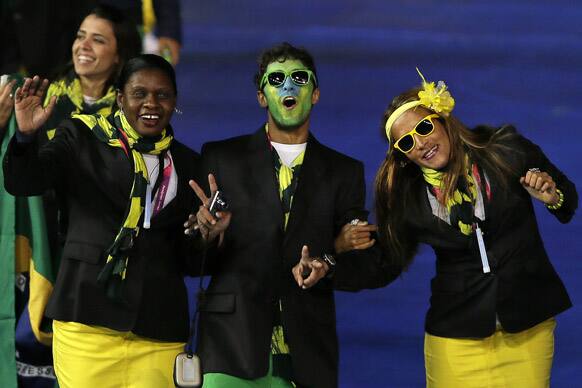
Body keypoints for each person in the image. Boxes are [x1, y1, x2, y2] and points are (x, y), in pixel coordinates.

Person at [185, 42, 399, 388]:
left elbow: (363, 266)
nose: (288, 86)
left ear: (314, 94)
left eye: (299, 78)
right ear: (261, 96)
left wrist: (329, 258)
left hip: (306, 351)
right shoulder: (222, 157)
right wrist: (206, 235)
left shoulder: (343, 171)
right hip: (230, 346)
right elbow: (192, 258)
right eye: (277, 79)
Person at [3, 54, 202, 388]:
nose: (151, 103)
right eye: (139, 93)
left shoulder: (188, 164)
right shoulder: (81, 136)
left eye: (162, 94)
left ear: (174, 101)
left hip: (158, 331)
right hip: (85, 323)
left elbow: (190, 261)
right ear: (121, 98)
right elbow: (26, 182)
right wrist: (25, 139)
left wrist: (208, 235)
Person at [375, 70, 577, 387]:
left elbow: (567, 202)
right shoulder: (409, 200)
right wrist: (330, 262)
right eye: (407, 141)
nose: (422, 142)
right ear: (402, 156)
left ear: (442, 120)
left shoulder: (507, 153)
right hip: (455, 338)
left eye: (424, 126)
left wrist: (553, 197)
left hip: (527, 330)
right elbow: (385, 263)